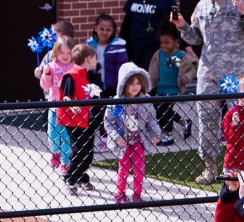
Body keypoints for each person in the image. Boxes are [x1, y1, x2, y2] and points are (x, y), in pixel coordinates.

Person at [171, 0, 244, 185]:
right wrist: (182, 25)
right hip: (209, 73)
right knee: (207, 118)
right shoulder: (202, 6)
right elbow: (195, 38)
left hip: (237, 73)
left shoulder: (241, 1)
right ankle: (210, 168)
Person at [104, 62, 161, 204]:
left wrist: (155, 133)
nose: (135, 87)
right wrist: (116, 138)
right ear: (123, 84)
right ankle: (120, 194)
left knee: (139, 168)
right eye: (131, 83)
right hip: (122, 141)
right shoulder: (117, 102)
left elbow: (152, 119)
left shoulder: (145, 100)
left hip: (138, 140)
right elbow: (108, 122)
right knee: (123, 169)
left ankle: (137, 195)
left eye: (138, 83)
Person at [57, 44, 101, 196]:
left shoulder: (87, 77)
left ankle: (81, 175)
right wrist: (72, 104)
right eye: (95, 58)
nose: (96, 61)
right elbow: (66, 95)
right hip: (74, 120)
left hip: (86, 119)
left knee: (88, 151)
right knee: (79, 149)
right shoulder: (72, 75)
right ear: (88, 59)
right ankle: (69, 177)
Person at [120, 0, 178, 69]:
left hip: (153, 43)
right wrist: (122, 38)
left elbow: (175, 21)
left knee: (146, 72)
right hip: (134, 42)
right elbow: (128, 18)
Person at [148, 22, 197, 145]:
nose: (163, 45)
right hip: (160, 88)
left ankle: (167, 134)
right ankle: (185, 123)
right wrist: (151, 84)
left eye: (167, 43)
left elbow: (192, 68)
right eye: (161, 43)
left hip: (173, 89)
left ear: (175, 41)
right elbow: (153, 69)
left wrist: (185, 78)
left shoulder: (180, 56)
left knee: (166, 110)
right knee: (161, 110)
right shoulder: (159, 54)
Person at [39, 36, 75, 176]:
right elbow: (45, 85)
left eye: (68, 53)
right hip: (54, 106)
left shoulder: (74, 67)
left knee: (66, 136)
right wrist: (46, 74)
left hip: (69, 108)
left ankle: (65, 162)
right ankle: (55, 151)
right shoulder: (52, 66)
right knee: (53, 134)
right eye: (62, 53)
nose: (65, 56)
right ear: (55, 53)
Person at [85, 13, 129, 97]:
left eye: (108, 30)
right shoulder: (89, 44)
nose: (104, 32)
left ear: (113, 31)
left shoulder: (118, 46)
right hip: (92, 86)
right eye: (101, 29)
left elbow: (122, 68)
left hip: (112, 87)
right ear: (95, 28)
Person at [34, 21, 76, 97]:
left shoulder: (75, 56)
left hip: (71, 97)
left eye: (55, 37)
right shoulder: (50, 55)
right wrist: (39, 72)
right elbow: (41, 71)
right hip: (53, 96)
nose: (53, 39)